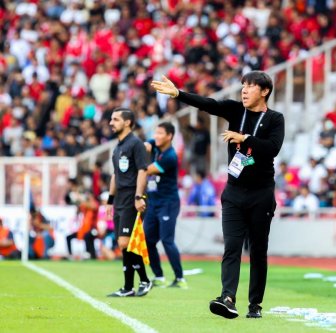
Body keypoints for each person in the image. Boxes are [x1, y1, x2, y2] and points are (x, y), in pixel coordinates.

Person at [151, 70, 285, 319]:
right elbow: (209, 104)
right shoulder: (236, 111)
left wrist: (244, 138)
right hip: (233, 192)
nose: (244, 90)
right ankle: (227, 298)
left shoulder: (275, 119)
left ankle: (255, 304)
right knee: (231, 247)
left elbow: (272, 149)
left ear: (265, 91)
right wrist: (178, 93)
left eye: (251, 86)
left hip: (261, 194)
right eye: (243, 85)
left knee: (257, 250)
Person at [106, 107, 152, 297]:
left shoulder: (135, 144)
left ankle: (144, 280)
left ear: (127, 122)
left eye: (115, 119)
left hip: (132, 197)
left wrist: (138, 197)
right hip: (119, 199)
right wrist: (109, 200)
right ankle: (127, 288)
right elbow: (116, 175)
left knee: (126, 242)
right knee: (122, 243)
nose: (111, 122)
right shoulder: (117, 147)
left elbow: (143, 170)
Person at [143, 122, 187, 289]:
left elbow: (148, 170)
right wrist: (147, 144)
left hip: (168, 203)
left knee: (167, 240)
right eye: (156, 132)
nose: (156, 136)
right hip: (153, 202)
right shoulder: (156, 146)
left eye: (160, 133)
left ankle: (180, 278)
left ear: (169, 136)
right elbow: (148, 143)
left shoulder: (170, 156)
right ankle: (159, 276)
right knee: (148, 240)